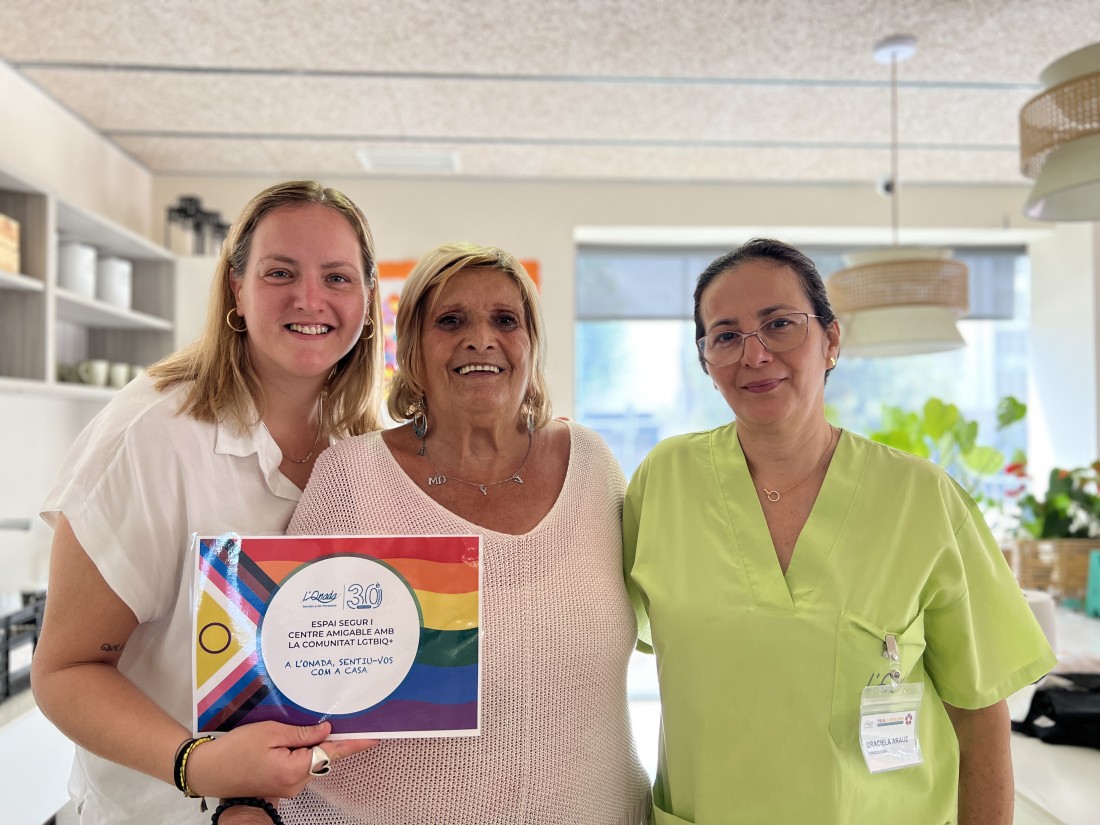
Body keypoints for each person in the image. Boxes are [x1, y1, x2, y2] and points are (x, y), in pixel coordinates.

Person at [622, 238, 1057, 824]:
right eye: (725, 336)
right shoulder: (664, 481)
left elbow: (979, 716)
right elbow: (587, 634)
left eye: (779, 324)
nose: (755, 355)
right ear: (706, 362)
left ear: (830, 340)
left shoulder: (921, 498)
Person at [32, 180, 386, 825]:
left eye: (337, 277)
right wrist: (198, 763)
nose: (310, 299)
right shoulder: (152, 433)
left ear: (367, 300)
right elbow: (65, 669)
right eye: (280, 272)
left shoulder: (367, 446)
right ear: (236, 289)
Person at [277, 242, 652, 824]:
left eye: (506, 320)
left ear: (531, 345)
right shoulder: (353, 477)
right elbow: (282, 679)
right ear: (412, 351)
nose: (481, 339)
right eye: (451, 321)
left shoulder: (592, 466)